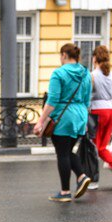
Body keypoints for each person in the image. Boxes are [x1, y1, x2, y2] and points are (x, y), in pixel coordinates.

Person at [34, 44, 93, 203]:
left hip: (63, 117)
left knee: (62, 153)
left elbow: (52, 101)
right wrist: (85, 120)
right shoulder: (86, 73)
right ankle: (81, 176)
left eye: (61, 56)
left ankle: (65, 191)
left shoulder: (58, 73)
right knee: (67, 151)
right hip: (80, 115)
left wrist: (41, 121)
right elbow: (87, 99)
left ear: (64, 55)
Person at [89, 45, 112, 189]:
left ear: (95, 58)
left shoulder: (92, 75)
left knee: (96, 147)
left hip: (97, 112)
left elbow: (88, 97)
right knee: (103, 145)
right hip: (111, 110)